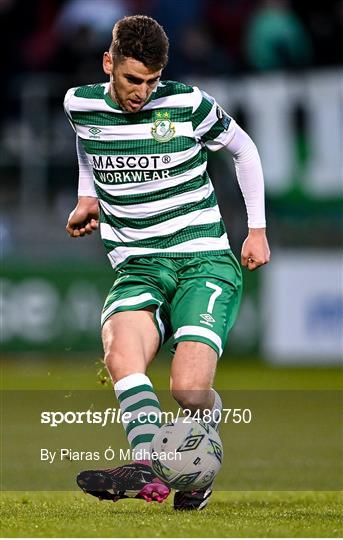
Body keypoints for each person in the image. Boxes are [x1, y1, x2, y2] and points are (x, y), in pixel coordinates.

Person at [64, 14, 270, 511]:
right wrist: (86, 196)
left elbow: (243, 149)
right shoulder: (79, 104)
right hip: (138, 264)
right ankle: (148, 465)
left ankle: (201, 456)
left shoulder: (186, 103)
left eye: (152, 81)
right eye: (133, 79)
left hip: (203, 260)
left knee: (188, 389)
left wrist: (257, 229)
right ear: (108, 64)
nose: (142, 92)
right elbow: (88, 143)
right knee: (120, 348)